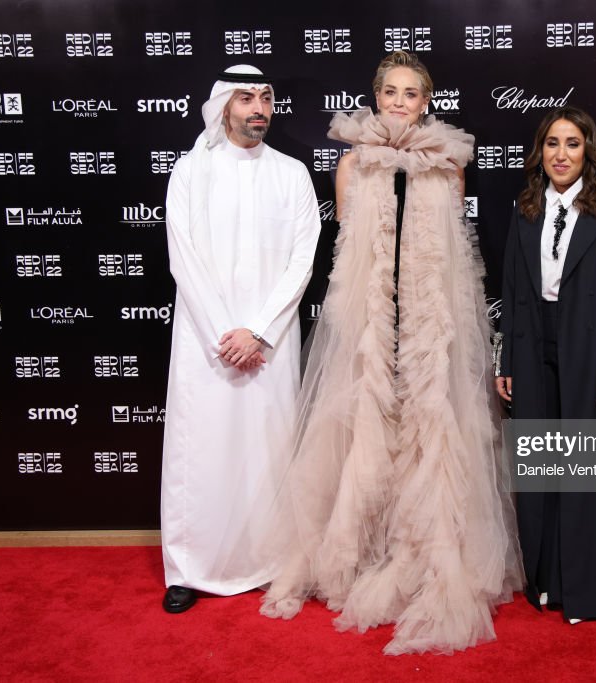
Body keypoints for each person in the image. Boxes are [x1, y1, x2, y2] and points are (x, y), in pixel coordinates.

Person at [260, 51, 522, 654]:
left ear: (426, 102)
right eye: (391, 92)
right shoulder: (352, 166)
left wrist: (448, 333)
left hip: (430, 322)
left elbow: (457, 262)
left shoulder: (447, 165)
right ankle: (359, 552)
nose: (401, 102)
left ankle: (426, 552)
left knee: (430, 429)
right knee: (365, 429)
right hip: (375, 320)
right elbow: (350, 258)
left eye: (411, 93)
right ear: (376, 97)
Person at [159, 65, 321, 614]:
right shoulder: (189, 171)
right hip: (207, 344)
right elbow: (184, 260)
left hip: (268, 346)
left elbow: (303, 259)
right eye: (246, 98)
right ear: (223, 105)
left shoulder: (293, 173)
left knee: (268, 453)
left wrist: (258, 332)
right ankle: (189, 568)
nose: (259, 108)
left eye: (266, 98)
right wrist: (226, 333)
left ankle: (271, 562)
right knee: (198, 452)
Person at [495, 106, 596, 625]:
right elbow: (514, 288)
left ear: (588, 149)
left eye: (572, 143)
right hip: (535, 342)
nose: (561, 154)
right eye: (551, 144)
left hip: (590, 343)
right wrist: (508, 356)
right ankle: (547, 582)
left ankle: (594, 590)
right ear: (539, 152)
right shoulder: (526, 205)